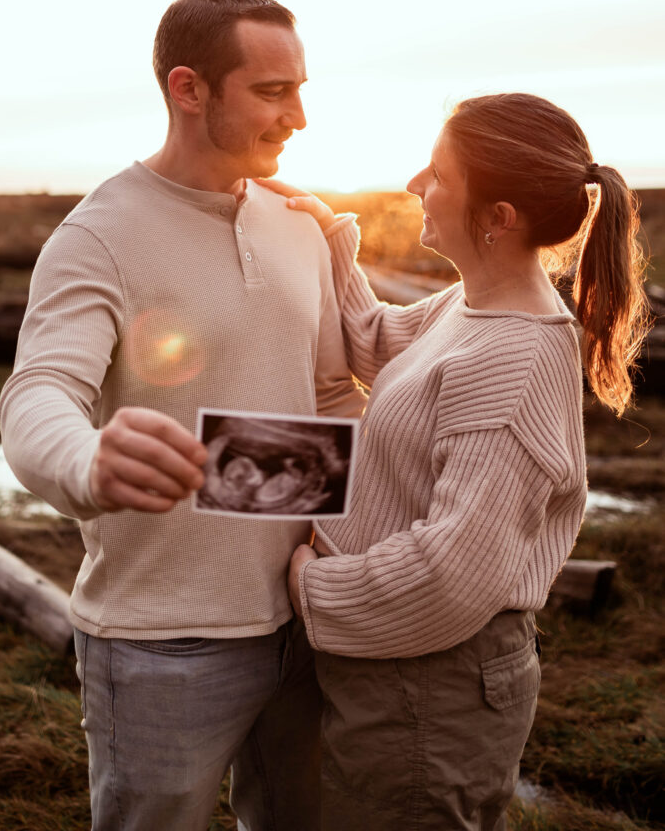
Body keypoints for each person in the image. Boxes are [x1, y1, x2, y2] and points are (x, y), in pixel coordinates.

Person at [0, 0, 365, 831]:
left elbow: (321, 395)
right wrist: (86, 460)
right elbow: (39, 394)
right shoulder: (99, 235)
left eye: (300, 88)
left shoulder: (295, 224)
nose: (299, 116)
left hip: (309, 619)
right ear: (188, 88)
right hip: (161, 641)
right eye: (273, 91)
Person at [264, 92, 649, 830]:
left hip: (427, 688)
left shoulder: (511, 357)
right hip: (402, 666)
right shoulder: (468, 308)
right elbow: (374, 341)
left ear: (497, 218)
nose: (414, 184)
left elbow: (450, 576)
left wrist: (313, 586)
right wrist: (329, 238)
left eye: (437, 175)